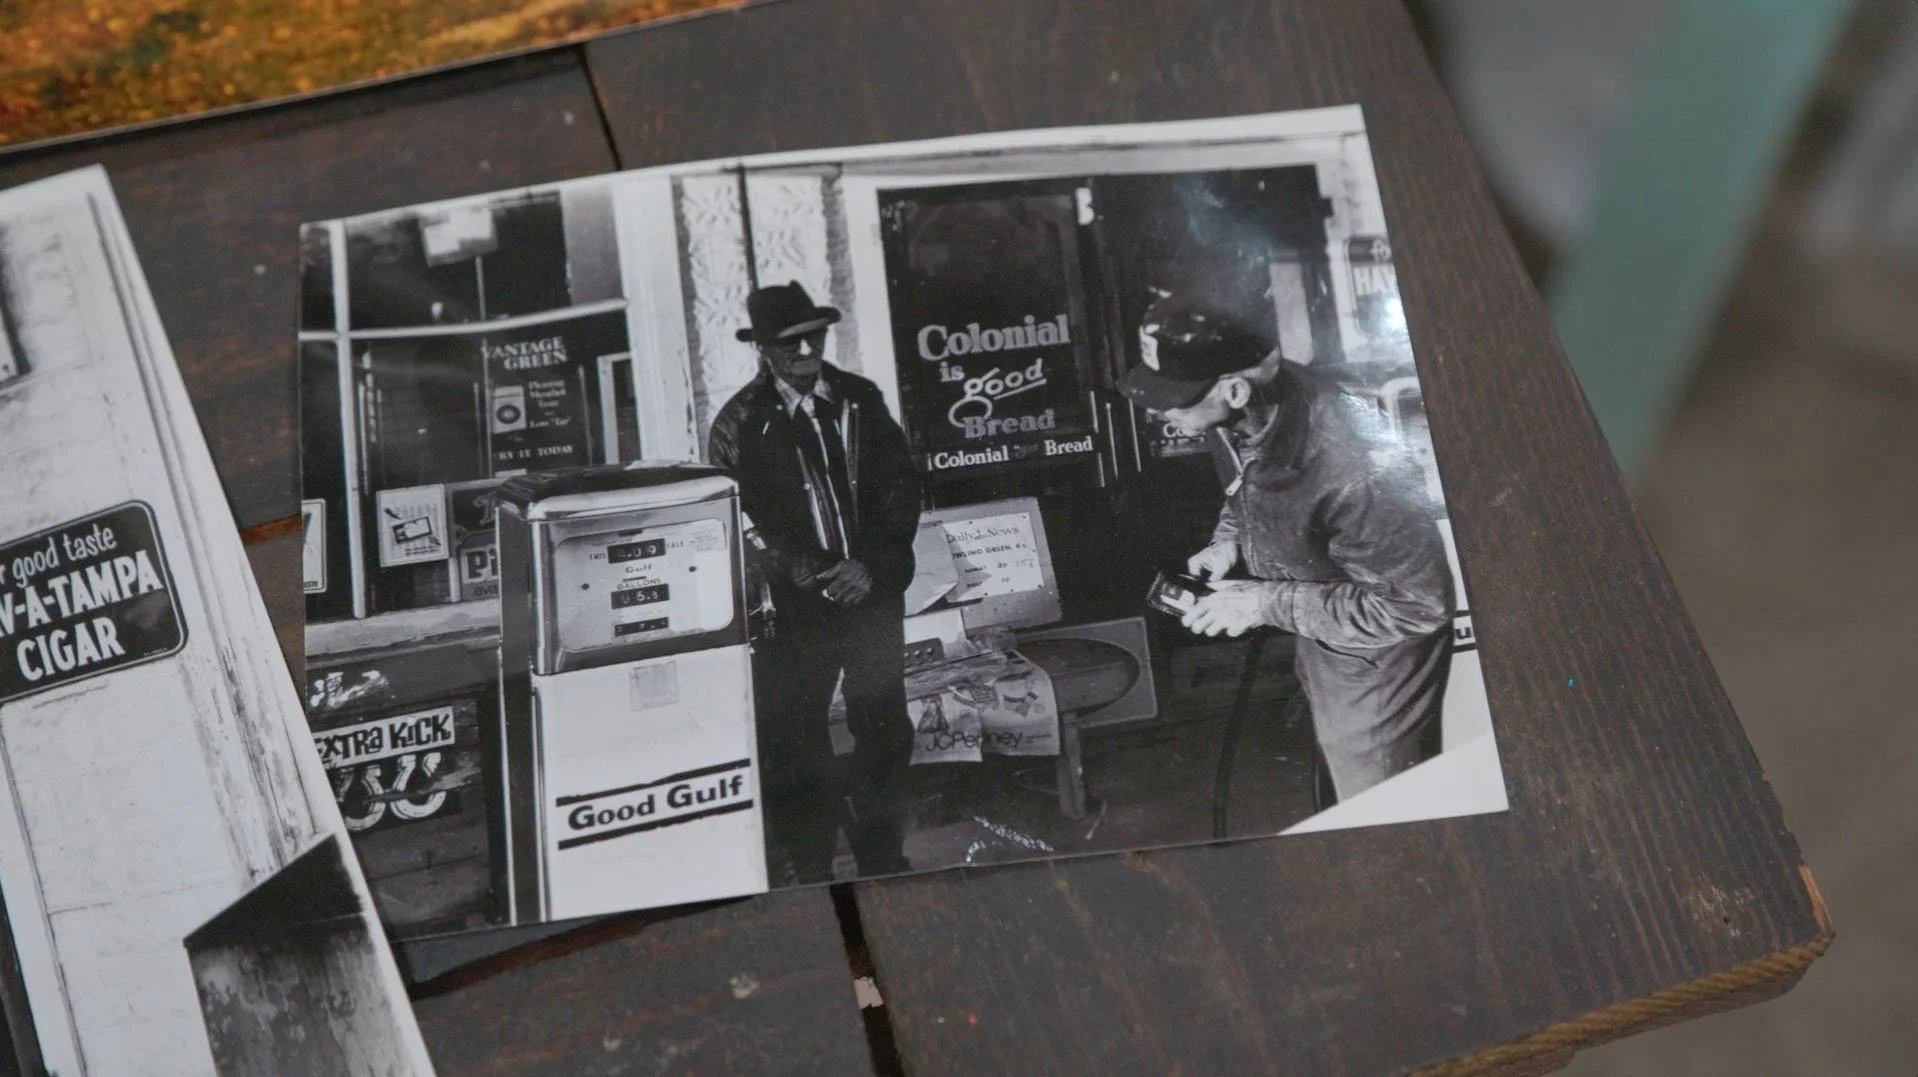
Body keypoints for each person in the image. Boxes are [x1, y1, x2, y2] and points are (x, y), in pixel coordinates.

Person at [1119, 295, 1454, 803]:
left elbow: (1418, 606)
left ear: (1233, 389)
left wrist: (1262, 602)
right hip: (1318, 625)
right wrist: (1227, 541)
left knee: (1386, 806)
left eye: (1175, 400)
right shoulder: (1236, 411)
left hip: (1377, 655)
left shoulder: (1353, 467)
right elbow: (1246, 485)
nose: (1161, 413)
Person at [707, 281, 923, 883]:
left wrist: (872, 567)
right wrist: (822, 572)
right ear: (764, 349)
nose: (806, 347)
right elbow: (747, 522)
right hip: (796, 608)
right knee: (796, 738)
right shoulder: (739, 424)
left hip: (872, 595)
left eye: (814, 334)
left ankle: (884, 858)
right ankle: (812, 867)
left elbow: (900, 490)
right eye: (789, 340)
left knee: (883, 727)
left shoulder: (860, 398)